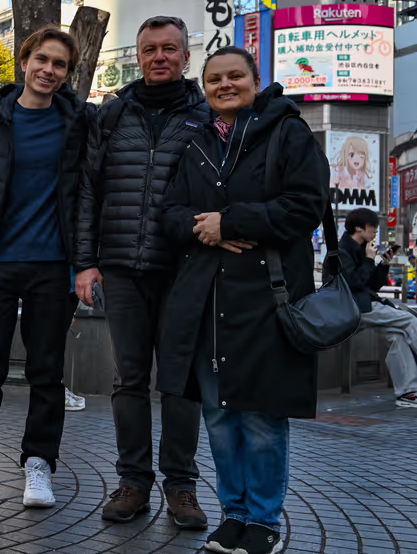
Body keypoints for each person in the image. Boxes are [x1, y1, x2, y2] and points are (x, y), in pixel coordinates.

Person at [160, 46, 329, 554]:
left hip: (266, 301)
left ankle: (264, 521)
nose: (225, 85)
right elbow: (168, 213)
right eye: (214, 79)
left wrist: (230, 221)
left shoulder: (287, 132)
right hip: (206, 301)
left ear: (257, 80)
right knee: (217, 413)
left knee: (260, 415)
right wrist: (205, 228)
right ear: (204, 86)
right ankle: (232, 515)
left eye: (236, 76)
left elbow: (307, 205)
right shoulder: (195, 142)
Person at [0, 26, 94, 510]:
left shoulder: (79, 123)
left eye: (60, 65)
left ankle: (39, 464)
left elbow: (92, 192)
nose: (49, 70)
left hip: (54, 267)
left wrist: (86, 263)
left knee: (46, 372)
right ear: (24, 60)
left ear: (67, 74)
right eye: (42, 60)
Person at [74, 15, 210, 528]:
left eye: (169, 49)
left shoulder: (205, 115)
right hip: (121, 268)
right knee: (129, 379)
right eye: (150, 48)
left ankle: (181, 486)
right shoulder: (112, 115)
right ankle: (132, 481)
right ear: (138, 54)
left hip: (183, 269)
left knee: (180, 381)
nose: (160, 57)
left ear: (185, 56)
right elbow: (89, 191)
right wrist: (85, 263)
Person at [334, 207, 417, 408]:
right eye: (372, 227)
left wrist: (383, 265)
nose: (375, 232)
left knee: (396, 336)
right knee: (409, 320)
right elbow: (353, 283)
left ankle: (407, 393)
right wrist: (369, 260)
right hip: (353, 308)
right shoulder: (341, 251)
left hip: (366, 305)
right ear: (358, 228)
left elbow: (371, 285)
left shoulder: (363, 249)